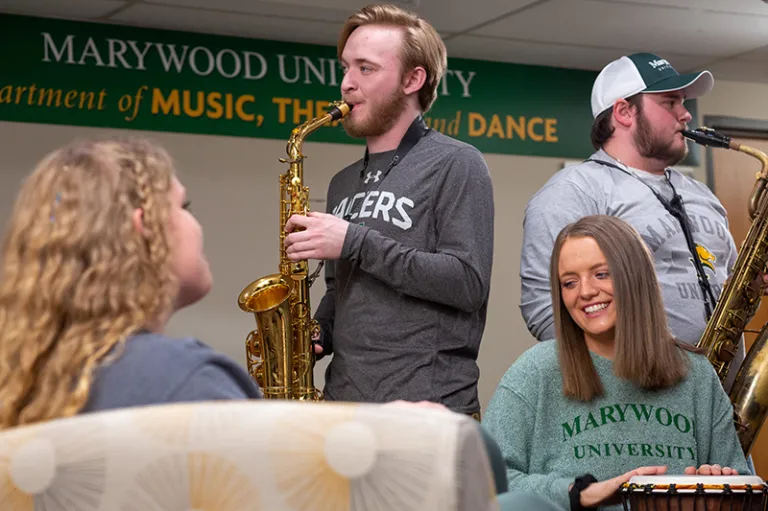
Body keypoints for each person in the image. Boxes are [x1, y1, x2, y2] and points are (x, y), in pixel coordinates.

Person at [283, 4, 494, 416]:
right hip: (343, 409)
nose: (346, 83)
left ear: (413, 80)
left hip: (427, 413)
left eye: (365, 68)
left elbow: (467, 283)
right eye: (345, 68)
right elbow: (342, 289)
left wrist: (355, 241)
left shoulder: (458, 163)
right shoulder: (342, 181)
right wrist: (320, 330)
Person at [518, 52, 751, 391]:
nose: (686, 114)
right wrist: (617, 388)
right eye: (670, 102)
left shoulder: (701, 194)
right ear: (624, 112)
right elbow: (544, 306)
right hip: (639, 396)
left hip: (722, 393)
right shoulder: (573, 191)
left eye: (683, 102)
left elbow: (728, 282)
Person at [485, 215, 749, 511]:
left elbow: (744, 486)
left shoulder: (697, 375)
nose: (585, 291)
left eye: (601, 274)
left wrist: (719, 491)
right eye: (569, 282)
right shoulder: (534, 372)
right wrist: (578, 494)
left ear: (635, 276)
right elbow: (483, 482)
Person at [0, 137, 262, 428]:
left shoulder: (21, 377)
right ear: (146, 225)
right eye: (184, 206)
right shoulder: (189, 382)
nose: (196, 224)